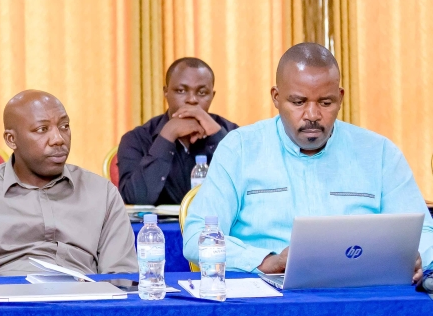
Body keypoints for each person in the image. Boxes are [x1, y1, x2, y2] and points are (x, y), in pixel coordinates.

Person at [184, 43, 433, 278]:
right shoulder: (239, 149)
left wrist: (415, 256)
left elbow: (425, 233)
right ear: (276, 97)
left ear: (340, 97)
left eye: (325, 102)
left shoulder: (378, 153)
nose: (313, 115)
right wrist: (264, 261)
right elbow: (198, 236)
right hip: (267, 296)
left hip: (360, 293)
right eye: (299, 102)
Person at [0, 90, 137, 277]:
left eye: (64, 126)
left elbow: (121, 275)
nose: (58, 139)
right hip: (8, 300)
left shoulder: (102, 193)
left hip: (82, 301)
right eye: (42, 129)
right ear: (11, 139)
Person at [117, 57, 238, 205]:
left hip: (217, 226)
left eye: (202, 92)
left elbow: (252, 189)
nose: (192, 100)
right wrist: (167, 135)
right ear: (166, 92)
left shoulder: (233, 134)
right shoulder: (136, 139)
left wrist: (217, 137)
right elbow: (135, 198)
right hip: (160, 228)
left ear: (212, 96)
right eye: (181, 91)